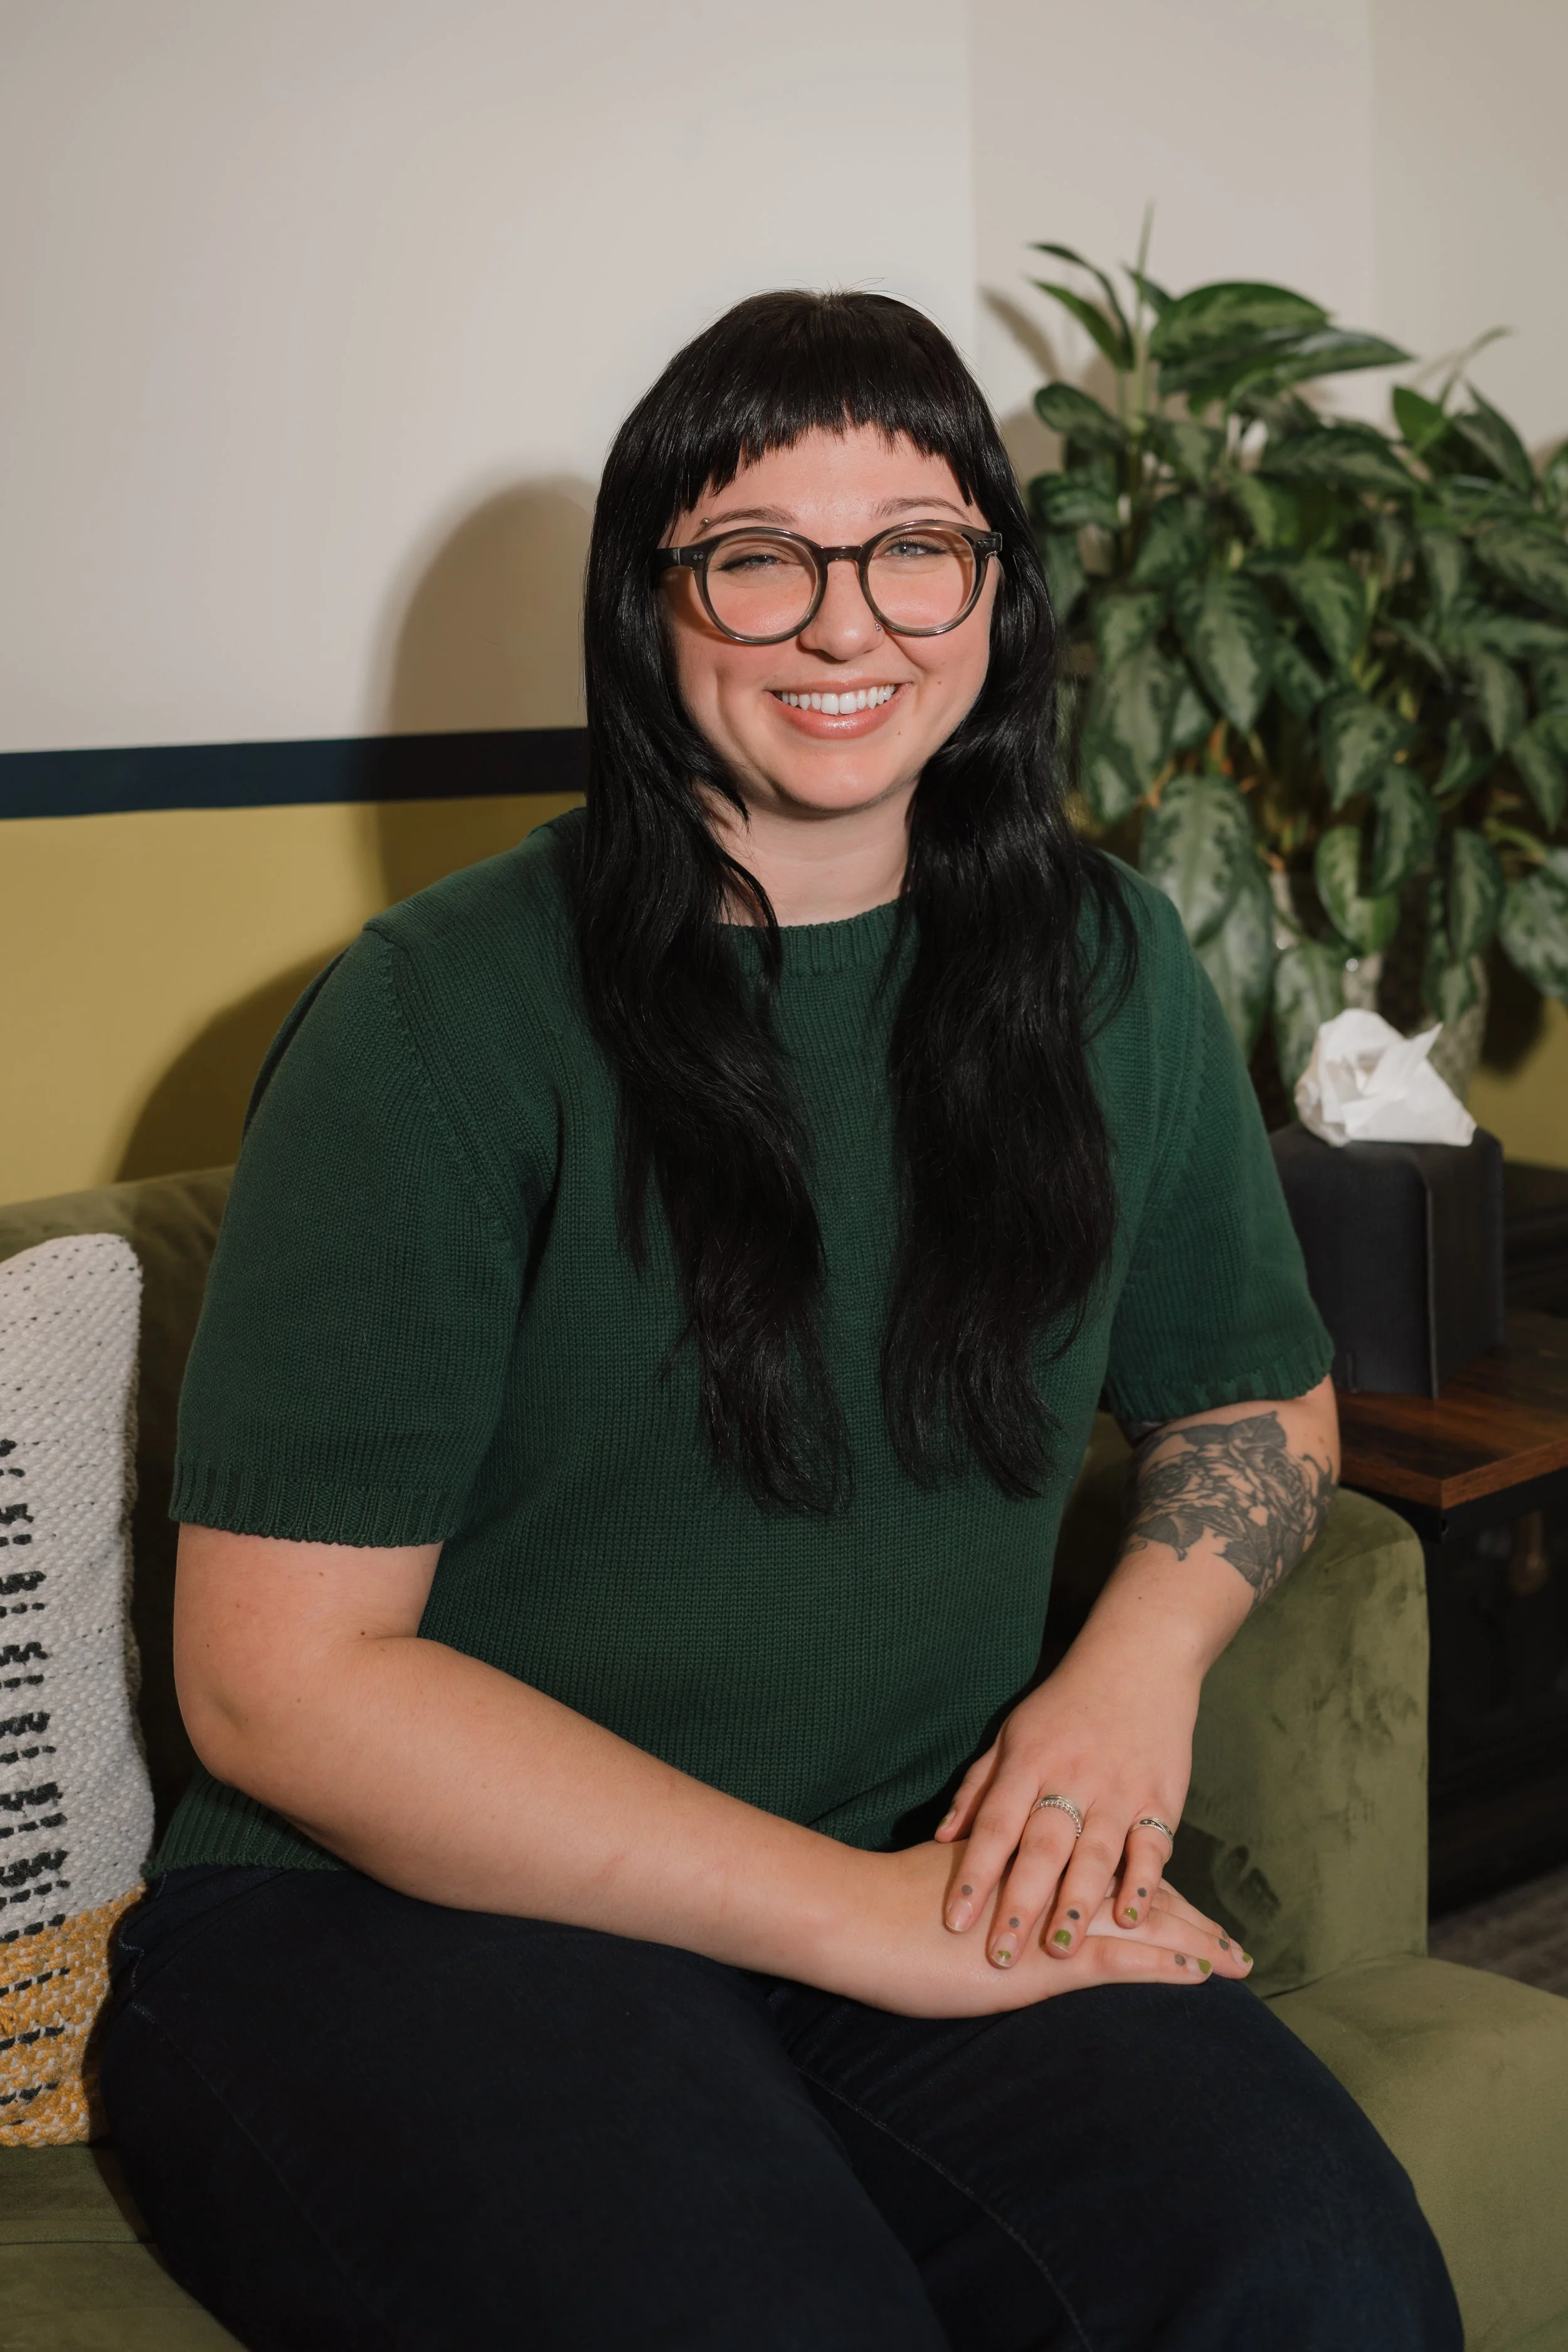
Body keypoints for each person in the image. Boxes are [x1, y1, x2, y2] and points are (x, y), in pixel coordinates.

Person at [102, 290, 1461, 2352]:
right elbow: (281, 1690)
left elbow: (1256, 1390)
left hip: (896, 1858)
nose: (850, 625)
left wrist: (1128, 1676)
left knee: (1323, 2285)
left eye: (916, 546)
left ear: (993, 594)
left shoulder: (1101, 960)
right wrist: (872, 1924)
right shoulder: (439, 1014)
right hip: (382, 1920)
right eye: (761, 556)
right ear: (651, 606)